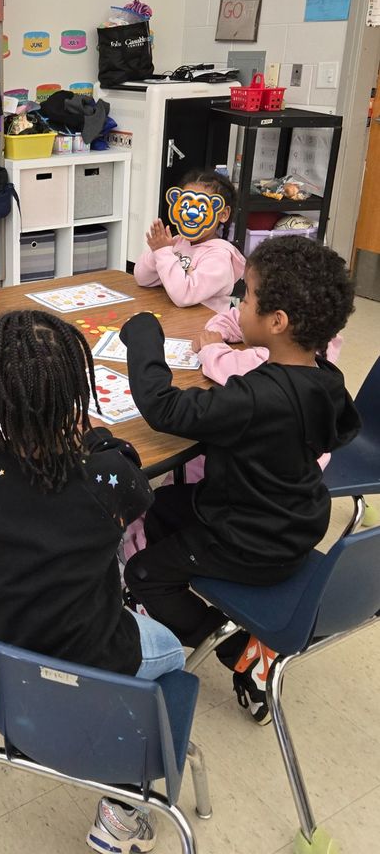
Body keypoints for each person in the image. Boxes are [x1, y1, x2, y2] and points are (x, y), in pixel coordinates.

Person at [0, 309, 184, 854]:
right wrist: (99, 445)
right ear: (76, 401)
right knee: (171, 653)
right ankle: (121, 808)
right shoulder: (101, 478)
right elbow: (138, 489)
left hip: (5, 681)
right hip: (102, 659)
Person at [121, 236, 360, 726]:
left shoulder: (256, 396)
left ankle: (238, 648)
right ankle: (182, 588)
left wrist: (144, 337)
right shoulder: (326, 378)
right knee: (162, 506)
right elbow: (341, 428)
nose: (238, 305)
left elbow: (164, 409)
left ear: (277, 322)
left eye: (245, 298)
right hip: (291, 523)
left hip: (248, 539)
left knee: (142, 573)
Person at [133, 168, 245, 313]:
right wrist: (157, 250)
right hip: (176, 319)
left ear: (223, 214)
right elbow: (142, 278)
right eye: (185, 205)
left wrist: (163, 252)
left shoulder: (219, 257)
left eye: (201, 208)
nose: (191, 214)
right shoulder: (177, 242)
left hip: (205, 329)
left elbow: (184, 296)